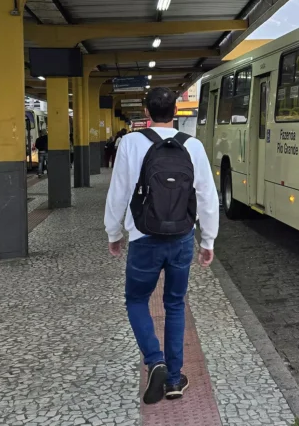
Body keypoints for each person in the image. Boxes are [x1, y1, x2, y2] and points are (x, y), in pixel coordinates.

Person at [104, 88, 219, 404]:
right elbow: (208, 195)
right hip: (181, 238)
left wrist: (114, 233)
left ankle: (155, 360)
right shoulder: (192, 146)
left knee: (137, 300)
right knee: (175, 304)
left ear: (147, 111)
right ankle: (173, 380)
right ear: (176, 111)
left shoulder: (129, 142)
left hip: (143, 238)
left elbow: (119, 192)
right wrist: (207, 240)